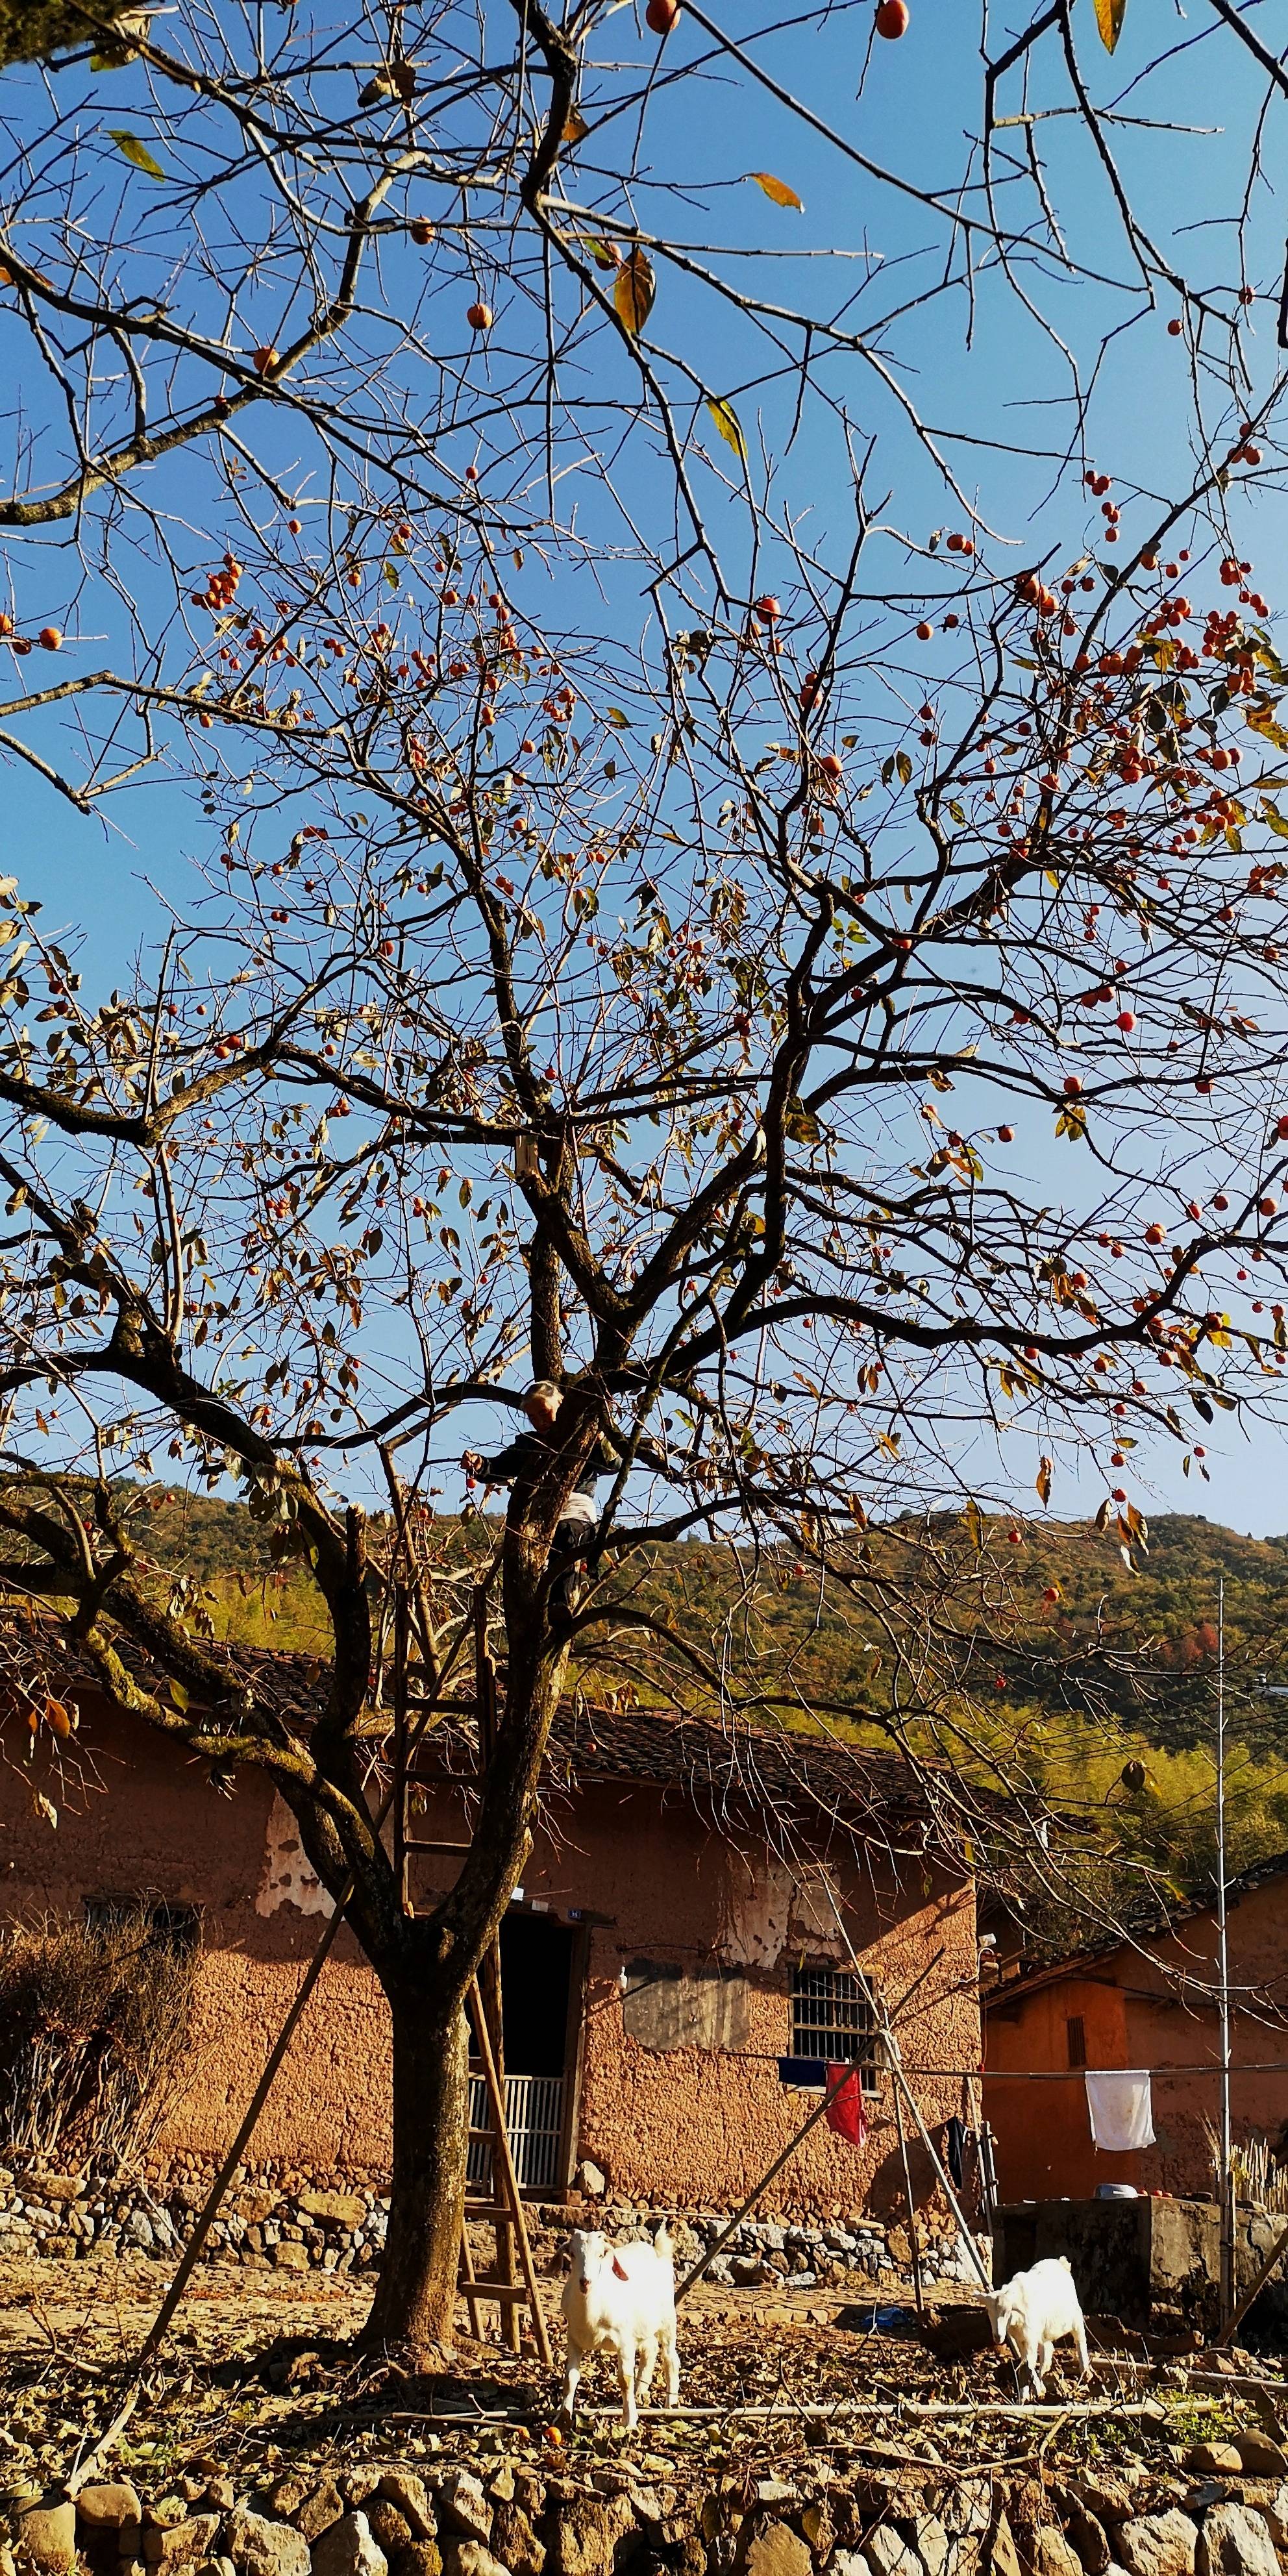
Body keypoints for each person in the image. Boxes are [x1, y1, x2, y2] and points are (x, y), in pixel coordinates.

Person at [462, 1380, 613, 1620]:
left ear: (561, 1404)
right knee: (520, 1561)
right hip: (536, 1517)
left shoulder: (585, 1436)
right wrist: (478, 1464)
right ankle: (525, 1615)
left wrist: (602, 1440)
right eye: (533, 1417)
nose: (540, 1421)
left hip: (577, 1515)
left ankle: (559, 1605)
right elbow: (500, 1466)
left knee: (565, 1536)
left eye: (545, 1413)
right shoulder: (529, 1444)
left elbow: (612, 1464)